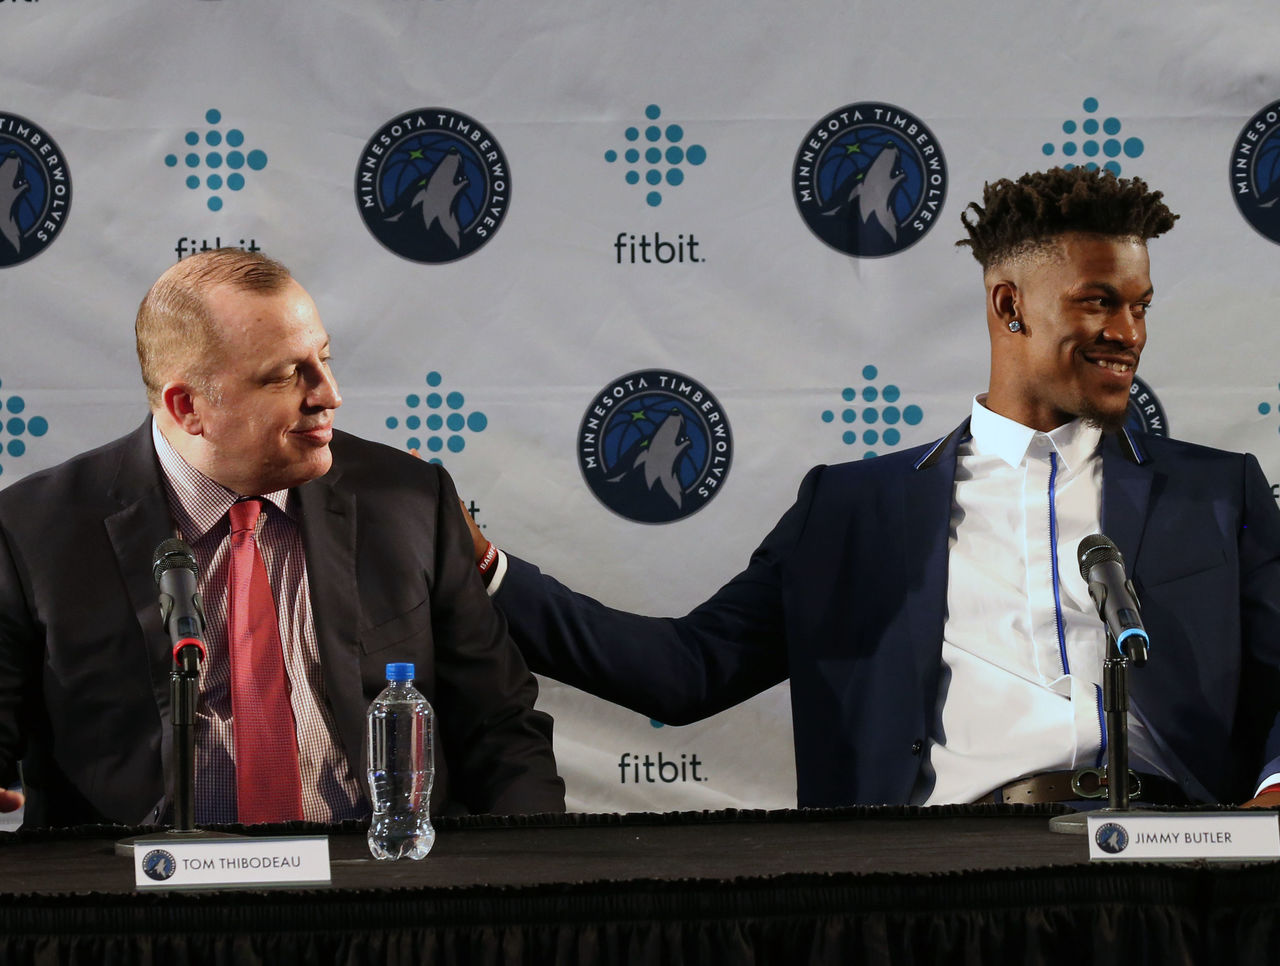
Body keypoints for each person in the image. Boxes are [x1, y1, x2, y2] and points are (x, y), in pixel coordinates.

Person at [465, 167, 1280, 809]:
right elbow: (686, 670)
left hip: (1174, 868)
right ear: (1011, 305)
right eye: (1100, 303)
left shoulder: (1220, 492)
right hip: (951, 883)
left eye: (1140, 307)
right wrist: (489, 571)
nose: (1129, 334)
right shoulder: (852, 512)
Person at [0, 249, 564, 826]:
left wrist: (533, 857)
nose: (329, 394)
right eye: (285, 375)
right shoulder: (33, 531)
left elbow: (501, 727)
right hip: (136, 876)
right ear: (188, 406)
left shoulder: (409, 499)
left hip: (378, 869)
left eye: (323, 359)